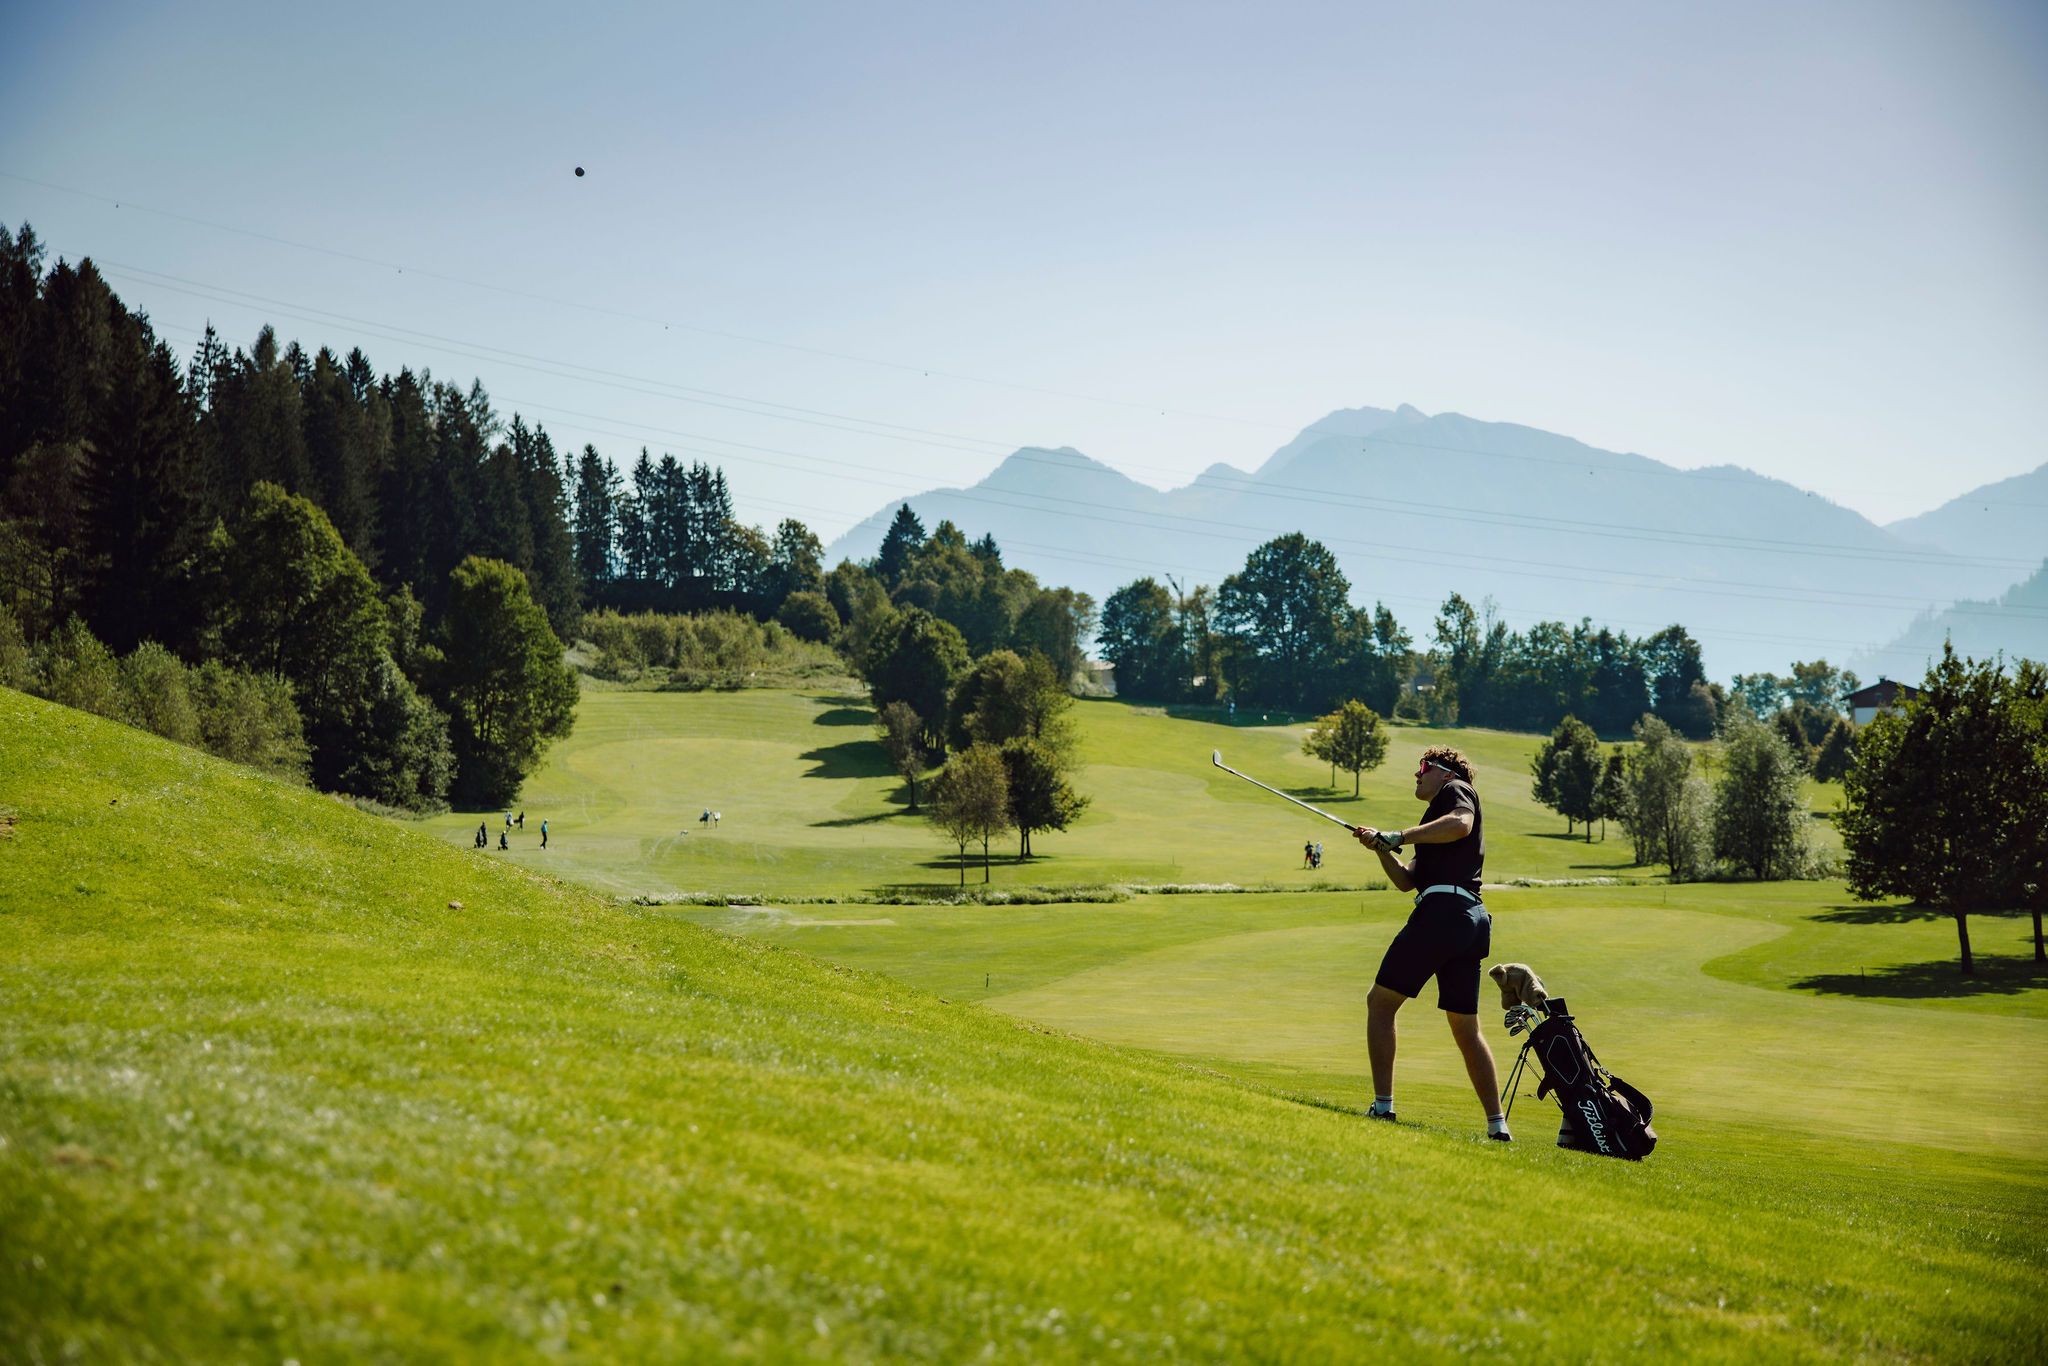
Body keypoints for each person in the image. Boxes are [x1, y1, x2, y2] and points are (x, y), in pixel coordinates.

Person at [1353, 746, 1510, 1142]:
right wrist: (1381, 849)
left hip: (1442, 913)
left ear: (1444, 773)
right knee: (1465, 1027)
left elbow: (1460, 824)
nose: (1417, 774)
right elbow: (1407, 880)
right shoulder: (1433, 825)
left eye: (1424, 767)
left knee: (1380, 1003)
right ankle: (1497, 1126)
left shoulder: (1456, 790)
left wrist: (1399, 835)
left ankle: (1383, 1107)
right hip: (1468, 921)